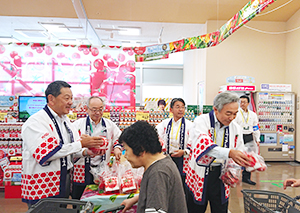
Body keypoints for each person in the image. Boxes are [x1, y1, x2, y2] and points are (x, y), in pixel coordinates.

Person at [21, 80, 104, 207]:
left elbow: (71, 148)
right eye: (66, 98)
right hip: (42, 186)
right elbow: (48, 152)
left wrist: (87, 151)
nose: (71, 102)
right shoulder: (36, 122)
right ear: (51, 99)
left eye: (71, 98)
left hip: (62, 184)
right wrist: (82, 144)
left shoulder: (65, 121)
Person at [185, 91, 251, 213]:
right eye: (228, 113)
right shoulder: (201, 121)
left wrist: (235, 170)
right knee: (195, 208)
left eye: (235, 114)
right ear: (215, 109)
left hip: (221, 175)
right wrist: (230, 153)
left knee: (220, 207)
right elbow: (204, 146)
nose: (232, 118)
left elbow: (239, 150)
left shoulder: (235, 127)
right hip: (200, 173)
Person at [119, 121, 188, 213]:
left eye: (126, 150)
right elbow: (156, 192)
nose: (126, 155)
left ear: (140, 150)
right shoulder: (163, 162)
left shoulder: (158, 173)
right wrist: (134, 200)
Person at [71, 96, 122, 199]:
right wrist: (85, 151)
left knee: (101, 199)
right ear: (87, 109)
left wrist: (117, 148)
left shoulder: (110, 125)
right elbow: (71, 147)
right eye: (94, 110)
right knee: (79, 200)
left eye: (100, 109)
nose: (97, 112)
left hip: (103, 170)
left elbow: (119, 139)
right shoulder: (77, 125)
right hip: (81, 170)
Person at [156, 98, 194, 199]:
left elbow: (193, 142)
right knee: (167, 182)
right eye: (177, 107)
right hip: (167, 158)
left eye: (182, 107)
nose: (181, 109)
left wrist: (184, 152)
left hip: (184, 159)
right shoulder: (164, 124)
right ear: (171, 109)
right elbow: (157, 137)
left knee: (182, 185)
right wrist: (163, 148)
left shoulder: (190, 125)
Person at [235, 95, 260, 185]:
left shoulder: (253, 115)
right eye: (240, 102)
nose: (242, 104)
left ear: (248, 103)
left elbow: (255, 127)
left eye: (244, 102)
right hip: (239, 137)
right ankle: (233, 176)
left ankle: (247, 177)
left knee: (249, 157)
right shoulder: (236, 113)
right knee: (238, 156)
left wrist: (257, 139)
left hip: (249, 136)